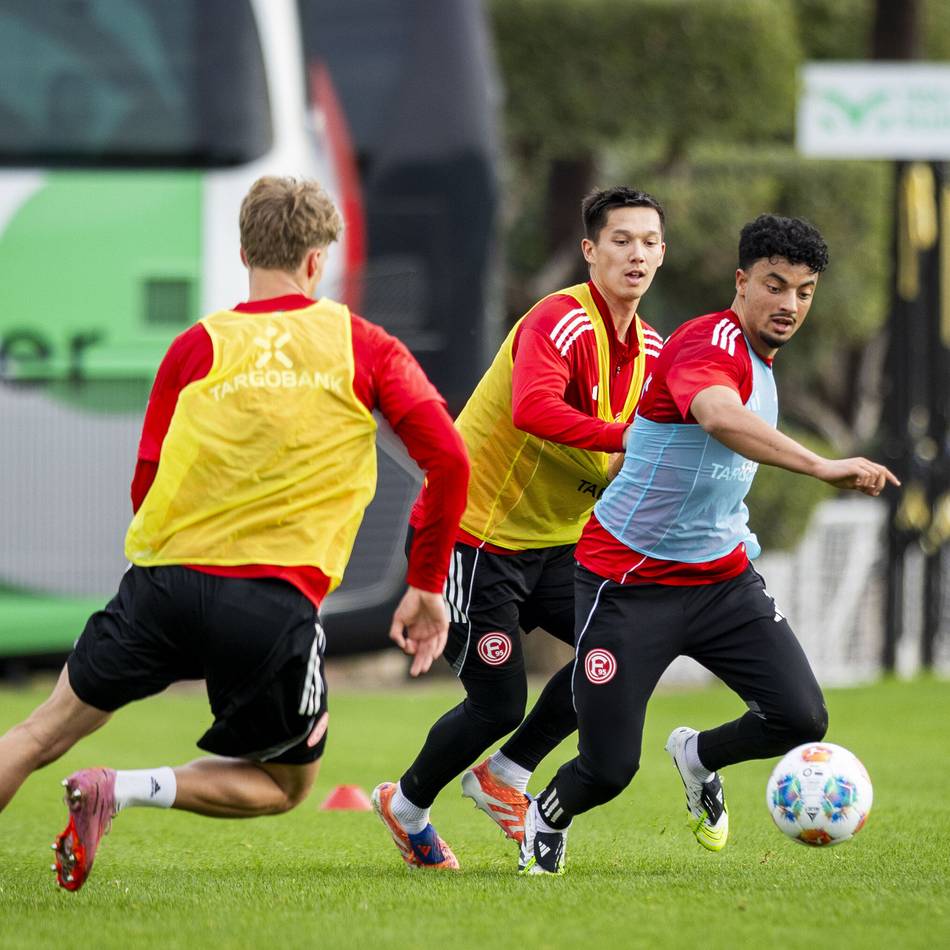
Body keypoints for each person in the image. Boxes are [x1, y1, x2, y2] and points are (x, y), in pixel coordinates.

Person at [0, 176, 469, 891]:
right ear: (317, 263)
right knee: (285, 785)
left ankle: (103, 780)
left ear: (245, 249)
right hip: (270, 599)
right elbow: (450, 461)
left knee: (35, 735)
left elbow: (147, 482)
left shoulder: (196, 346)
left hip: (159, 586)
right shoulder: (362, 344)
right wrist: (425, 586)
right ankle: (119, 789)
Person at [517, 213, 900, 874]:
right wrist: (822, 465)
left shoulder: (767, 364)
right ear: (742, 281)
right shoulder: (705, 342)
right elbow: (720, 416)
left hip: (722, 580)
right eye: (775, 286)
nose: (789, 304)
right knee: (608, 769)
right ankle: (544, 814)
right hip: (627, 583)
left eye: (804, 292)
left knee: (801, 717)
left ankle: (697, 757)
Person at [372, 187, 666, 869]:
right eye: (621, 239)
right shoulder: (558, 321)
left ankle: (504, 777)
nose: (637, 254)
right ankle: (408, 804)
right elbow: (535, 408)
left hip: (560, 545)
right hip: (477, 540)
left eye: (650, 241)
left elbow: (661, 446)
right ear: (590, 251)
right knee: (499, 701)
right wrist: (629, 438)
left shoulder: (654, 346)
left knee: (620, 651)